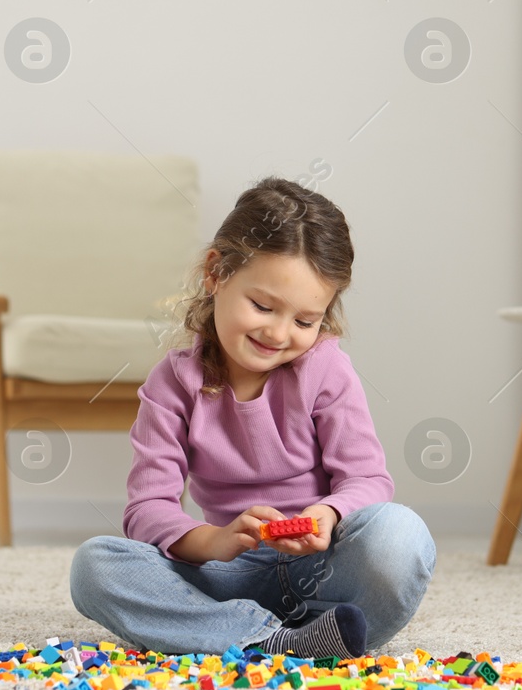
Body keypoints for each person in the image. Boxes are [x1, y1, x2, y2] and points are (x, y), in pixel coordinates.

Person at [70, 177, 435, 657]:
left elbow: (367, 479)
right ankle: (269, 639)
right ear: (216, 273)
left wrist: (327, 513)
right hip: (228, 576)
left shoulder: (326, 369)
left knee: (400, 534)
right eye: (263, 306)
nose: (280, 333)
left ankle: (274, 633)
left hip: (320, 573)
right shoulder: (172, 384)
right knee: (95, 566)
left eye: (305, 321)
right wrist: (215, 541)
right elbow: (147, 509)